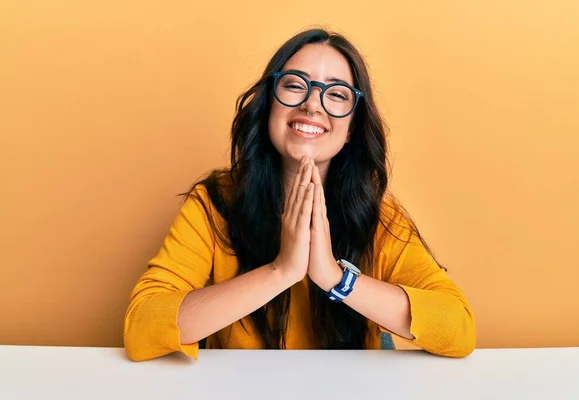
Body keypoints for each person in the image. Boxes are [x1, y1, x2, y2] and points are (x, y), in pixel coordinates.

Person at [123, 28, 476, 362]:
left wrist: (335, 278)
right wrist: (281, 271)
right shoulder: (214, 203)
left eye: (336, 94)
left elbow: (458, 330)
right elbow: (141, 328)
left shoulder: (379, 215)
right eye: (296, 85)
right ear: (268, 108)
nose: (313, 104)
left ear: (352, 128)